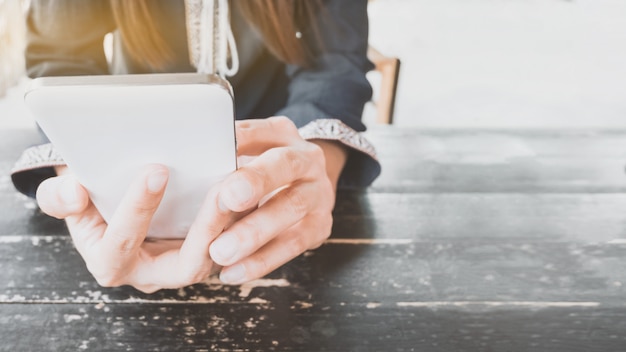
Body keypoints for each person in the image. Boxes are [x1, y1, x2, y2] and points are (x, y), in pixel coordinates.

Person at [11, 0, 380, 293]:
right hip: (134, 164)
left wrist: (309, 175)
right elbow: (61, 61)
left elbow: (334, 67)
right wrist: (89, 179)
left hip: (273, 183)